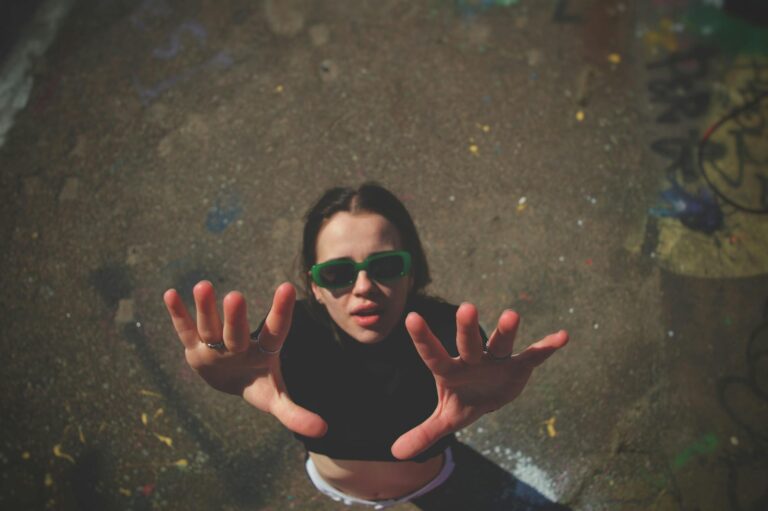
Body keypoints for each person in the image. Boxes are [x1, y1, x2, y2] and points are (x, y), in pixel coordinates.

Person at [163, 183, 569, 509]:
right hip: (332, 487)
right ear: (316, 287)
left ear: (411, 273)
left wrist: (490, 394)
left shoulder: (449, 338)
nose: (363, 288)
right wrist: (232, 379)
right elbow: (249, 366)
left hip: (433, 483)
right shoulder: (283, 339)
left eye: (386, 266)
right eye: (338, 272)